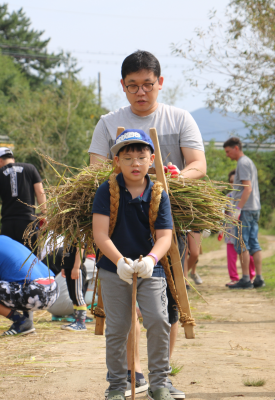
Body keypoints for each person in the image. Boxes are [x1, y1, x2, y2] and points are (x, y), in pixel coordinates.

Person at [89, 50, 202, 398]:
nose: (141, 92)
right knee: (122, 311)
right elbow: (93, 171)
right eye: (133, 85)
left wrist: (173, 177)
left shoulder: (179, 118)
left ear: (160, 83)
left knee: (163, 305)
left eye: (148, 85)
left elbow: (198, 165)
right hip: (117, 222)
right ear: (123, 87)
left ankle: (160, 377)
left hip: (163, 221)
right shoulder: (108, 123)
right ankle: (126, 374)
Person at [93, 129, 174, 400]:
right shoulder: (106, 190)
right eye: (128, 158)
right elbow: (100, 234)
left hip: (151, 268)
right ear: (117, 161)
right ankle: (116, 386)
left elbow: (165, 236)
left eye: (141, 157)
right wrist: (119, 262)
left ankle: (159, 383)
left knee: (159, 320)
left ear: (152, 160)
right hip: (114, 268)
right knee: (117, 328)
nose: (135, 163)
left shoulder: (159, 194)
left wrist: (151, 259)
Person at [223, 137, 265, 289]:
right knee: (254, 242)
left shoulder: (243, 163)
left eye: (228, 151)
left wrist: (237, 208)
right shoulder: (248, 162)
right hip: (254, 208)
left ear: (236, 148)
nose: (227, 155)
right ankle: (258, 278)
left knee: (243, 244)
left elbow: (247, 188)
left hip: (246, 209)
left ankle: (246, 279)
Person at [0, 147, 46, 249]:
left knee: (8, 258)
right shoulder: (30, 168)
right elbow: (40, 192)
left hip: (8, 224)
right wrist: (45, 215)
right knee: (30, 260)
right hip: (28, 223)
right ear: (12, 158)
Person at [222, 170, 255, 286]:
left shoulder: (246, 197)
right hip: (230, 232)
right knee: (231, 258)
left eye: (236, 181)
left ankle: (250, 276)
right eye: (231, 181)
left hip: (243, 231)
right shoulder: (228, 197)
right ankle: (234, 278)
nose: (233, 184)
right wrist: (222, 229)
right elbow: (224, 215)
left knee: (247, 254)